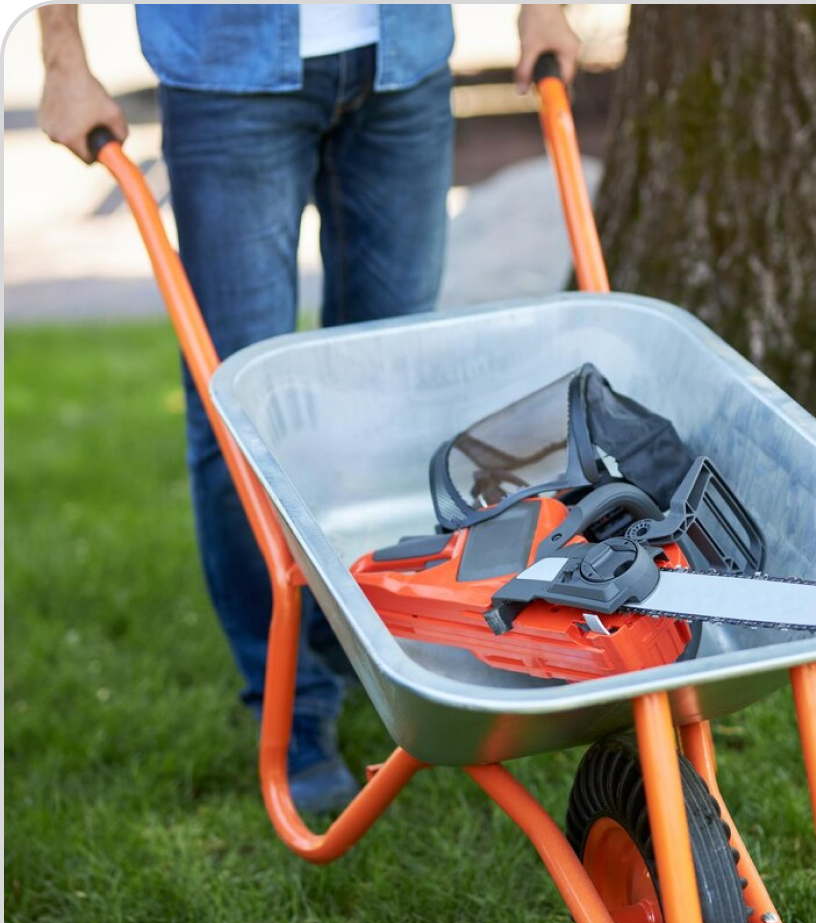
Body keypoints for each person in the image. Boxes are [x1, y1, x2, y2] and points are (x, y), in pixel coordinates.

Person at [38, 4, 580, 812]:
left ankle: (363, 633)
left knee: (393, 395)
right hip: (227, 70)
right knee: (238, 413)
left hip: (404, 56)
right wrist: (62, 58)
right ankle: (289, 700)